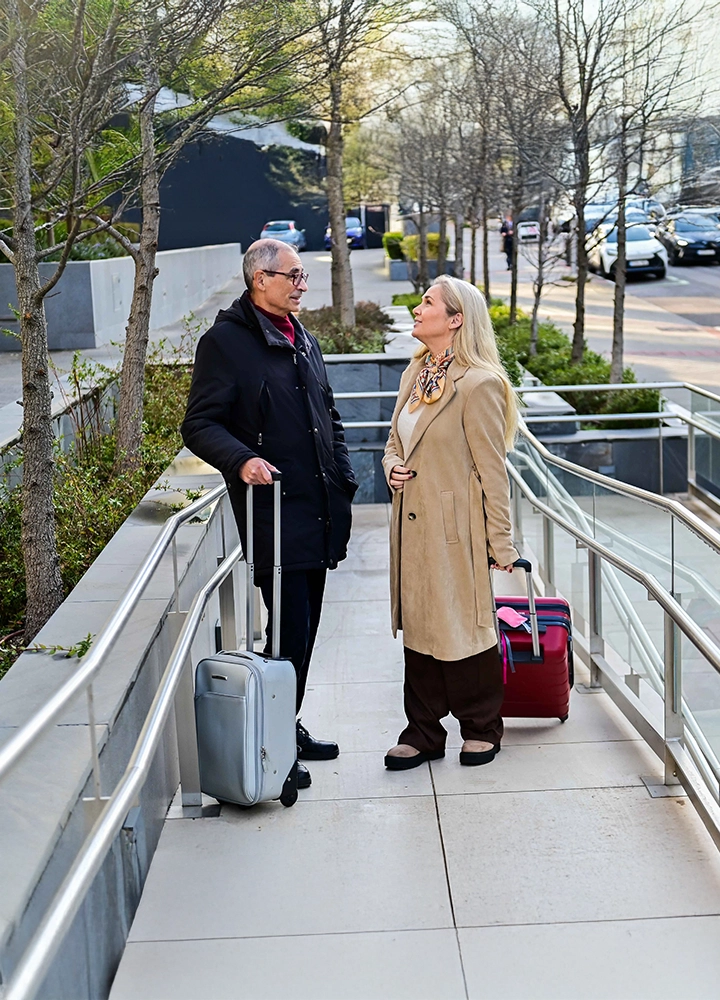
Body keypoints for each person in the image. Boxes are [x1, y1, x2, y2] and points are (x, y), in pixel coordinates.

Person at [181, 239, 358, 789]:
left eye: (303, 275)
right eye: (294, 275)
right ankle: (272, 747)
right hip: (275, 517)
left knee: (304, 633)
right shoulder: (225, 343)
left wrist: (344, 473)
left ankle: (285, 725)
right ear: (261, 279)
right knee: (287, 635)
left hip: (319, 511)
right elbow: (199, 424)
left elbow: (327, 413)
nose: (303, 284)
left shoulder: (301, 336)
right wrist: (242, 460)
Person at [382, 275, 519, 771]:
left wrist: (501, 544)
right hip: (410, 525)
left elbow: (493, 471)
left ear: (456, 319)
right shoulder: (416, 372)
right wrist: (390, 467)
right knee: (419, 627)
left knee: (465, 626)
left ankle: (481, 727)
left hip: (456, 528)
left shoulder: (479, 383)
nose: (417, 309)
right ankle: (422, 732)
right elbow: (395, 440)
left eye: (428, 302)